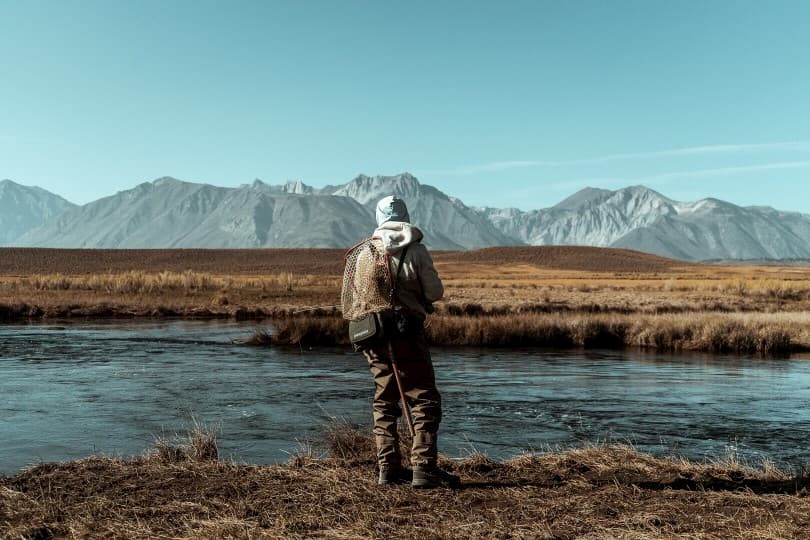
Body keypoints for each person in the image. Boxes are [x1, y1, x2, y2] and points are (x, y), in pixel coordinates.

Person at [360, 195, 459, 488]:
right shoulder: (416, 251)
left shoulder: (365, 253)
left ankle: (387, 469)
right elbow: (435, 292)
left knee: (384, 401)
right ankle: (423, 469)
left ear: (378, 217)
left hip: (375, 337)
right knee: (424, 399)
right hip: (408, 334)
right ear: (405, 216)